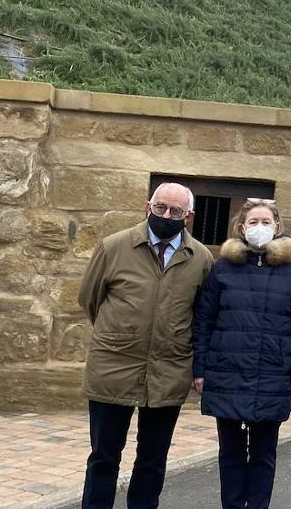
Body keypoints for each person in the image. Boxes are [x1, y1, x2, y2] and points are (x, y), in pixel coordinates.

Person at [78, 182, 214, 509]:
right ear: (147, 207)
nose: (166, 215)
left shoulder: (201, 259)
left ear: (189, 216)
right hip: (113, 367)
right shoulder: (113, 247)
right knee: (104, 457)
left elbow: (202, 314)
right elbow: (89, 299)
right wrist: (123, 334)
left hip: (169, 371)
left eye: (176, 211)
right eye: (160, 208)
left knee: (152, 459)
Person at [193, 198, 291, 509]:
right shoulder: (223, 267)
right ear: (241, 227)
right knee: (230, 453)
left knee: (264, 452)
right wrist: (200, 368)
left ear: (277, 227)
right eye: (253, 222)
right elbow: (204, 319)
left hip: (273, 372)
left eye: (266, 222)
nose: (260, 227)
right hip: (227, 370)